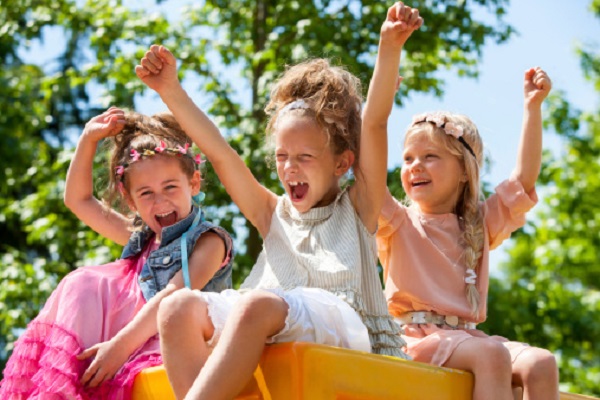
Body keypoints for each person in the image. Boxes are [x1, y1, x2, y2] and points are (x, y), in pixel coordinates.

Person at [134, 3, 422, 399]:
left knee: (258, 305)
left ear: (342, 162)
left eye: (305, 157)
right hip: (273, 318)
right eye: (282, 157)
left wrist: (389, 47)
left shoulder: (358, 206)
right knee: (177, 308)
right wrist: (171, 90)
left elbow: (374, 122)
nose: (290, 168)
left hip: (340, 326)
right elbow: (220, 154)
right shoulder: (272, 213)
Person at [0, 108, 234, 399]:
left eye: (170, 187)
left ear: (194, 183)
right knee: (82, 282)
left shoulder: (209, 241)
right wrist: (88, 139)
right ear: (130, 200)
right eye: (146, 193)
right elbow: (78, 199)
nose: (160, 200)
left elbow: (172, 296)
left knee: (91, 283)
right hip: (122, 347)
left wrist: (119, 348)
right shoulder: (141, 239)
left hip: (174, 347)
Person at [377, 66, 557, 399]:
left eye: (430, 156)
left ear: (464, 171)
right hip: (412, 339)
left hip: (470, 341)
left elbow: (523, 181)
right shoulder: (396, 221)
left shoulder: (478, 224)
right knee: (492, 355)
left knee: (542, 363)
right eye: (408, 158)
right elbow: (367, 169)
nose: (415, 165)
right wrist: (380, 105)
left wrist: (533, 109)